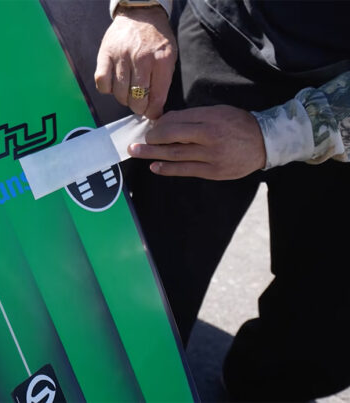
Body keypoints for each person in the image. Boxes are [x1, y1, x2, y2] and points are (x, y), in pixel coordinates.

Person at [94, 0, 350, 400]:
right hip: (224, 35)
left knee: (323, 328)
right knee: (149, 295)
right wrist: (140, 8)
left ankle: (263, 384)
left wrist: (273, 136)